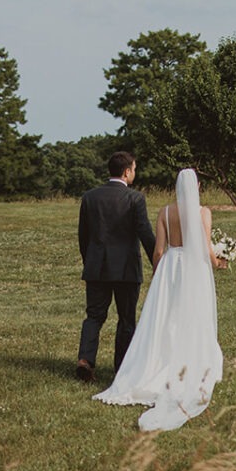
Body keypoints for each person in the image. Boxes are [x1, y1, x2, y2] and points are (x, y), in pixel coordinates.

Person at [94, 167, 226, 431]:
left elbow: (158, 250)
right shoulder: (203, 213)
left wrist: (159, 273)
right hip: (192, 267)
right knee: (193, 314)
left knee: (165, 317)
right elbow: (205, 246)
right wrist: (219, 262)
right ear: (198, 188)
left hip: (170, 267)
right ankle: (191, 361)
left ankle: (157, 361)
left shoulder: (165, 212)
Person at [76, 152, 157, 383]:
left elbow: (84, 236)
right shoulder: (135, 199)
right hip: (126, 270)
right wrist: (158, 263)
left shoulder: (90, 197)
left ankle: (85, 360)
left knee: (93, 316)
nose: (134, 172)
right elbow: (145, 234)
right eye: (134, 169)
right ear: (126, 172)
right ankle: (122, 367)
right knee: (126, 319)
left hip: (96, 267)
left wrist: (89, 260)